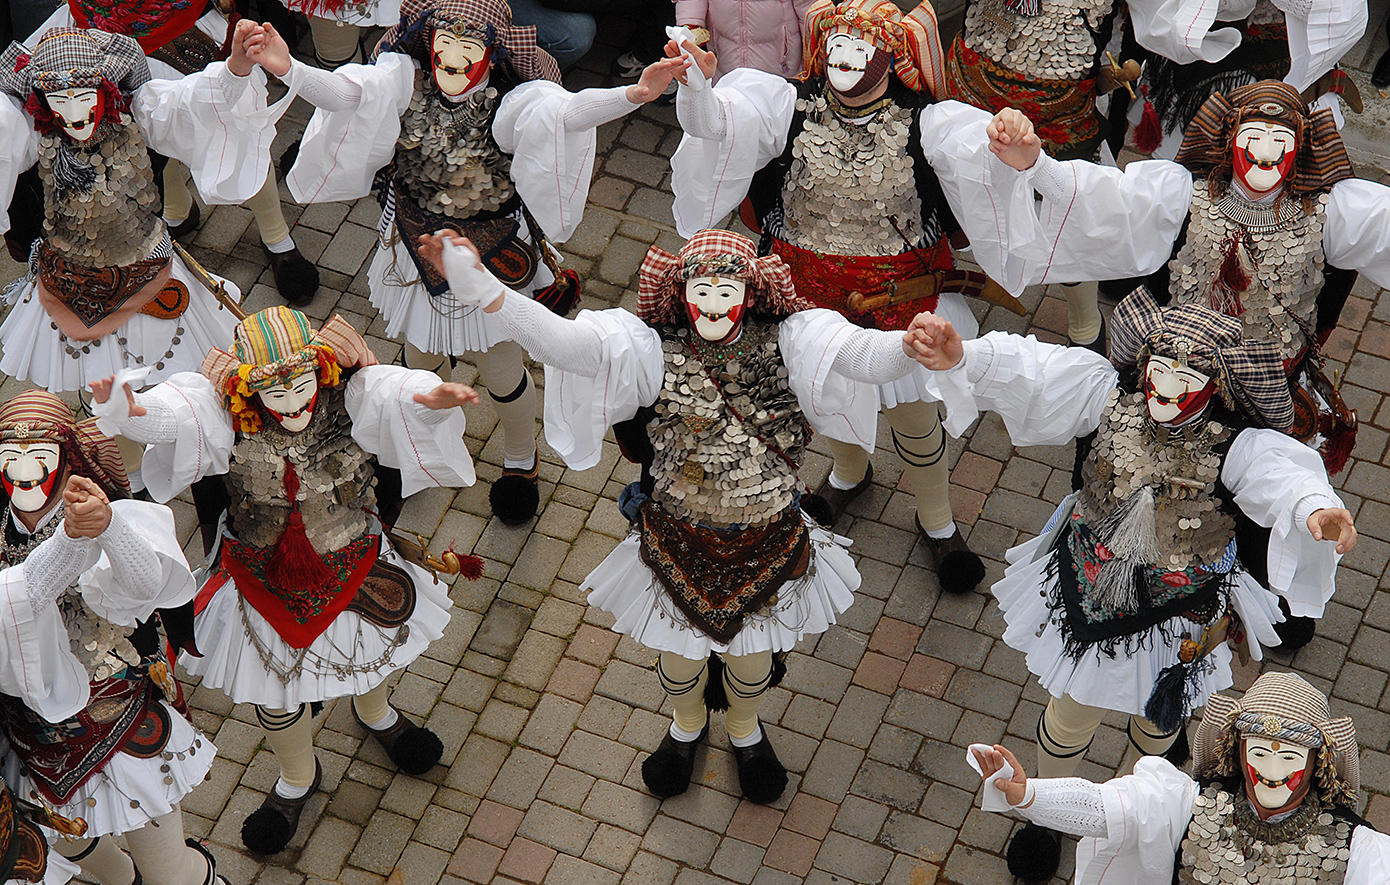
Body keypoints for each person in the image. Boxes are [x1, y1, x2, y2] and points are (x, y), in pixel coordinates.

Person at [422, 228, 947, 803]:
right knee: (679, 661)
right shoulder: (648, 348)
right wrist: (480, 287)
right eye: (703, 289)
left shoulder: (795, 338)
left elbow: (857, 354)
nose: (714, 304)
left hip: (767, 537)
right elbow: (563, 344)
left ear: (750, 294)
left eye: (728, 290)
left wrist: (906, 347)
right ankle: (686, 726)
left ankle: (745, 728)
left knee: (750, 664)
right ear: (682, 292)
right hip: (677, 537)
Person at [902, 290, 1355, 883]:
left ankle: (1151, 806)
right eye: (1159, 367)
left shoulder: (1236, 445)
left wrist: (1316, 507)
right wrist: (967, 357)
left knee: (1160, 722)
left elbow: (1283, 475)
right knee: (1069, 716)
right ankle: (1044, 813)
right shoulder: (1104, 394)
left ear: (1215, 385)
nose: (1167, 383)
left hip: (1179, 611)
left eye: (1188, 373)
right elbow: (1035, 372)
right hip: (1090, 596)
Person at [667, 0, 1041, 595]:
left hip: (898, 301)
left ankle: (938, 521)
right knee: (824, 393)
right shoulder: (786, 107)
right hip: (805, 299)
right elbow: (719, 121)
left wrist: (1012, 140)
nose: (845, 60)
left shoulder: (928, 123)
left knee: (915, 420)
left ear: (892, 57)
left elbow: (984, 152)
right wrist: (693, 85)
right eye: (836, 47)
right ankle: (848, 473)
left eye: (862, 49)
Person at [275, 0, 689, 525]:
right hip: (412, 248)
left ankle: (520, 458)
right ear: (428, 45)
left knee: (500, 369)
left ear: (490, 55)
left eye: (468, 47)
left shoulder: (511, 104)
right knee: (421, 364)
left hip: (490, 256)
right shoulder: (403, 78)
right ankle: (422, 454)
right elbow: (348, 91)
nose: (452, 57)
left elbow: (567, 111)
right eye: (443, 44)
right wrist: (286, 67)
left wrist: (634, 94)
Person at [90, 306, 481, 855]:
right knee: (274, 689)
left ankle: (375, 714)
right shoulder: (220, 413)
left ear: (320, 371)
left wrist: (434, 400)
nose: (294, 405)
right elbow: (169, 417)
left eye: (302, 386)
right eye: (275, 395)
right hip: (258, 575)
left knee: (371, 652)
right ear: (249, 393)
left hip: (352, 557)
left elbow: (400, 395)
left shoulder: (353, 397)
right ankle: (298, 775)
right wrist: (124, 410)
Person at [0, 22, 289, 394]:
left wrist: (236, 69)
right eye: (59, 101)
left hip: (148, 267)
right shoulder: (33, 132)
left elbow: (188, 104)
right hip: (69, 283)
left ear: (105, 92)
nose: (73, 113)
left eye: (84, 97)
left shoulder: (139, 111)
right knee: (99, 391)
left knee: (171, 378)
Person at [0, 391, 215, 885]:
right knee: (75, 845)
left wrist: (109, 527)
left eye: (40, 456)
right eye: (9, 457)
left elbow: (145, 588)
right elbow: (27, 591)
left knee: (170, 876)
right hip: (31, 737)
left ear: (68, 457)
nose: (23, 470)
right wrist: (69, 541)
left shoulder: (100, 508)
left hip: (117, 715)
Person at [17, 0, 322, 306]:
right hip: (96, 29)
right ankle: (178, 210)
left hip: (180, 24)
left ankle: (276, 234)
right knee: (138, 135)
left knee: (232, 125)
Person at [970, 672, 1390, 884]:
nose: (1272, 772)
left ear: (1319, 764)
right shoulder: (1187, 804)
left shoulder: (1358, 850)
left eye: (1291, 757)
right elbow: (1108, 808)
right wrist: (1029, 797)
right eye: (1260, 752)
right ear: (1238, 754)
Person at [675, 0, 812, 81]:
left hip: (779, 65)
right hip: (726, 59)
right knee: (732, 116)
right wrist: (691, 24)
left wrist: (815, 51)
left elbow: (808, 7)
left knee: (777, 117)